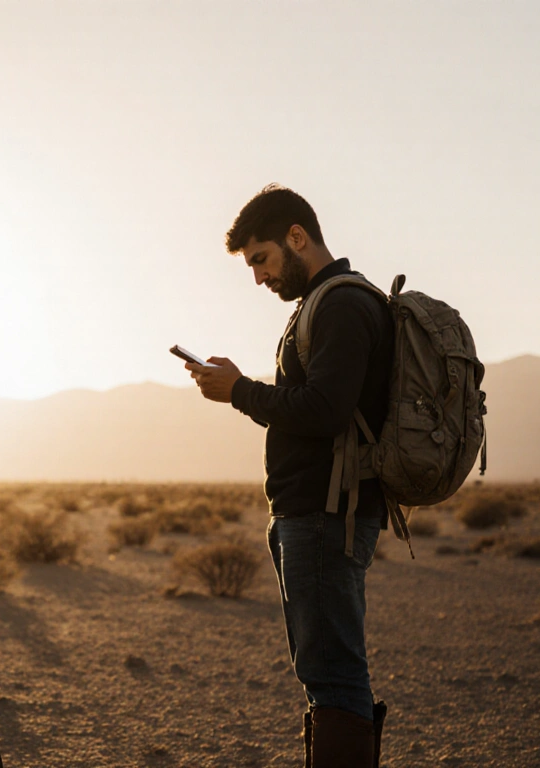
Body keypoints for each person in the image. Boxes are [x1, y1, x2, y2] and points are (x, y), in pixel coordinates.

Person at [186, 185, 393, 768]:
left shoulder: (344, 305)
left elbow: (325, 411)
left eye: (262, 259)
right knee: (325, 674)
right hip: (314, 515)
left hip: (329, 517)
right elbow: (317, 401)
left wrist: (240, 392)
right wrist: (242, 387)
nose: (257, 278)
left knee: (333, 677)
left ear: (297, 237)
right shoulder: (321, 305)